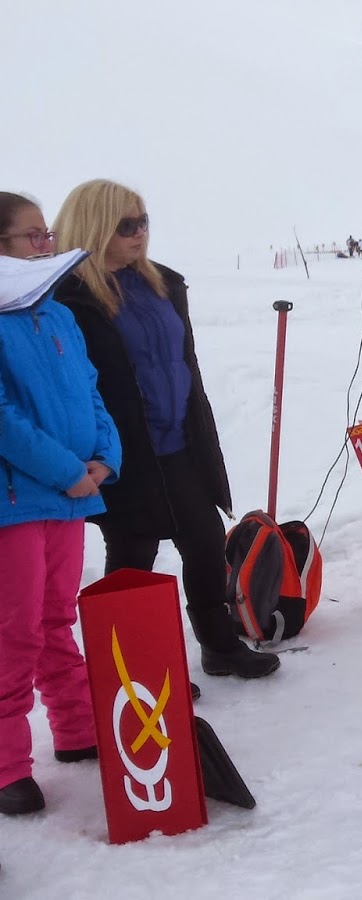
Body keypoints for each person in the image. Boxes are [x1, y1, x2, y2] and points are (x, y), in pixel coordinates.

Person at [53, 180, 279, 680]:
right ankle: (134, 678)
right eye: (126, 225)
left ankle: (220, 647)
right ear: (94, 226)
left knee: (205, 540)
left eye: (143, 221)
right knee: (134, 554)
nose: (140, 233)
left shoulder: (160, 284)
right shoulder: (69, 298)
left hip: (179, 442)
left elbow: (183, 363)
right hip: (122, 450)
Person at [0, 195, 123, 816]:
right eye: (32, 237)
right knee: (14, 631)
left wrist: (105, 457)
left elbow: (92, 394)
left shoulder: (58, 315)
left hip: (70, 499)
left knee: (55, 618)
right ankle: (7, 768)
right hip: (17, 503)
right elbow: (3, 419)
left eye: (46, 234)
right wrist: (66, 471)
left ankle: (76, 729)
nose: (45, 246)